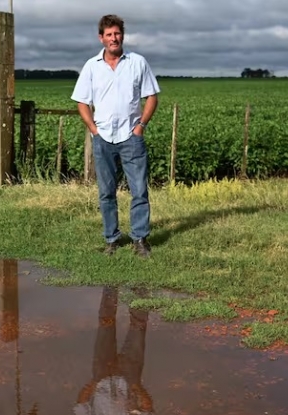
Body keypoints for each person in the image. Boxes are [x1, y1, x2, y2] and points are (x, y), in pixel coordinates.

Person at [71, 14, 161, 258]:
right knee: (106, 192)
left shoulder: (137, 62)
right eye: (109, 34)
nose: (114, 38)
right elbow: (81, 101)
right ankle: (112, 239)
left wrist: (141, 125)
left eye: (117, 33)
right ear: (101, 38)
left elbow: (152, 96)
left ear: (123, 35)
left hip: (131, 137)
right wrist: (93, 129)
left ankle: (140, 239)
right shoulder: (92, 66)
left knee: (139, 190)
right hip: (103, 139)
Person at [73, 286, 153, 415]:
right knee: (138, 326)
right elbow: (148, 409)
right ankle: (141, 283)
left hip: (102, 375)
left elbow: (81, 403)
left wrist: (94, 382)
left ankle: (111, 282)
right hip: (129, 375)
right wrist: (136, 386)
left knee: (105, 322)